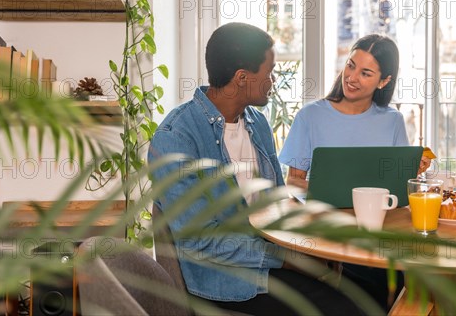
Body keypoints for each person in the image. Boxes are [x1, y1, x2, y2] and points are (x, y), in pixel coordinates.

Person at [148, 22, 366, 316]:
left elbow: (277, 200)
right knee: (345, 308)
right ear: (241, 78)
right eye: (270, 72)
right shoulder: (176, 138)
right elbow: (201, 242)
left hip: (266, 261)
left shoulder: (256, 123)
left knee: (359, 289)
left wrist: (317, 234)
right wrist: (287, 259)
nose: (273, 81)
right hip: (221, 282)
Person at [279, 33, 431, 311]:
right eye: (350, 66)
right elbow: (294, 181)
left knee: (407, 282)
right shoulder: (310, 116)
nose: (352, 77)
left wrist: (414, 170)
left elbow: (401, 188)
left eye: (365, 73)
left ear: (383, 81)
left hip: (379, 234)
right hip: (330, 231)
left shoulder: (393, 120)